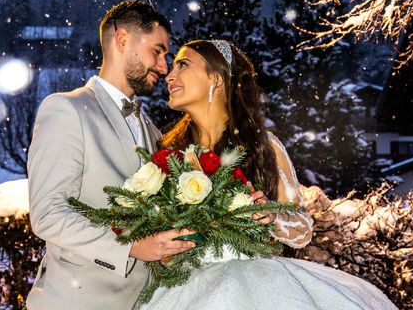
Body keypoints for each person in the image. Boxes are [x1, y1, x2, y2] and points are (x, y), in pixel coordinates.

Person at [141, 39, 397, 309]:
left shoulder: (263, 147)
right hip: (185, 292)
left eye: (182, 64)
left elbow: (303, 229)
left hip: (257, 288)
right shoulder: (167, 152)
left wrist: (272, 215)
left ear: (215, 77)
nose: (169, 75)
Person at [26, 0, 196, 310]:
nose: (163, 66)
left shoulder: (152, 131)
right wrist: (131, 247)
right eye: (157, 51)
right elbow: (47, 214)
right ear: (122, 40)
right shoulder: (66, 109)